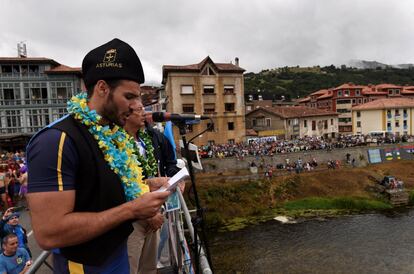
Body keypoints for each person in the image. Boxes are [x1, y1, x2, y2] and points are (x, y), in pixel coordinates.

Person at [26, 38, 171, 273]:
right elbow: (49, 233)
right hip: (86, 266)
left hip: (118, 256)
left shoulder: (112, 133)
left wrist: (147, 185)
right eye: (129, 96)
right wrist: (132, 210)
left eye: (138, 98)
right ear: (102, 88)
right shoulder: (56, 141)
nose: (136, 106)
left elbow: (98, 192)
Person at [124, 101, 180, 274]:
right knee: (131, 268)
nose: (144, 113)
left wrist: (178, 178)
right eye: (139, 109)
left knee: (149, 268)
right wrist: (149, 213)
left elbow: (169, 163)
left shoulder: (152, 137)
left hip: (155, 212)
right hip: (133, 220)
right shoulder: (117, 143)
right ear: (125, 114)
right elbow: (124, 183)